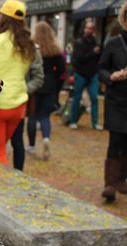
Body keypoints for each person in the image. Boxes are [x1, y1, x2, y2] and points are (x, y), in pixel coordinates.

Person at [0, 0, 36, 164]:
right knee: (0, 146)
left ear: (3, 18)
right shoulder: (28, 45)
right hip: (19, 105)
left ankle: (6, 188)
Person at [98, 1, 127, 202]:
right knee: (115, 140)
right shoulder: (113, 43)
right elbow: (101, 69)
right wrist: (112, 76)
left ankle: (121, 179)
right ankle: (110, 183)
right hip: (116, 100)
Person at [26, 21, 65, 161]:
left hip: (35, 85)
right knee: (44, 116)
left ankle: (31, 146)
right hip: (50, 85)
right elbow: (62, 70)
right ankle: (46, 138)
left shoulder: (31, 48)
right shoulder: (54, 49)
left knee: (32, 116)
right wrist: (56, 85)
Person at [10, 45, 44, 170]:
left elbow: (38, 77)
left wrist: (23, 89)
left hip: (19, 102)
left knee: (17, 141)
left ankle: (18, 175)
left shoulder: (31, 49)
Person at [69, 21, 102, 130]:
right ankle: (73, 121)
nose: (89, 30)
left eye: (91, 28)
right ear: (84, 29)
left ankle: (95, 123)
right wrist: (93, 53)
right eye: (87, 28)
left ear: (93, 30)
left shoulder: (95, 43)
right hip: (80, 74)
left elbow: (98, 59)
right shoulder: (79, 43)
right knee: (76, 98)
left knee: (94, 98)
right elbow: (78, 59)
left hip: (93, 75)